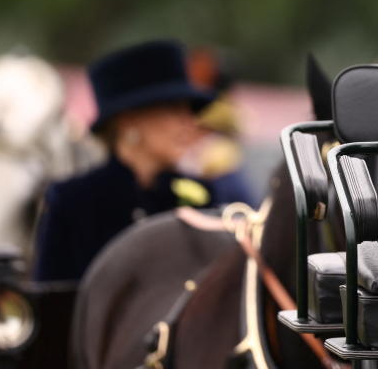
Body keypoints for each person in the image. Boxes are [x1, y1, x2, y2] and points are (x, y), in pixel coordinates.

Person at [33, 40, 231, 282]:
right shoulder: (73, 202)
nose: (188, 124)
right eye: (172, 109)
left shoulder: (203, 196)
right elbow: (55, 307)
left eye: (189, 111)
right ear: (128, 121)